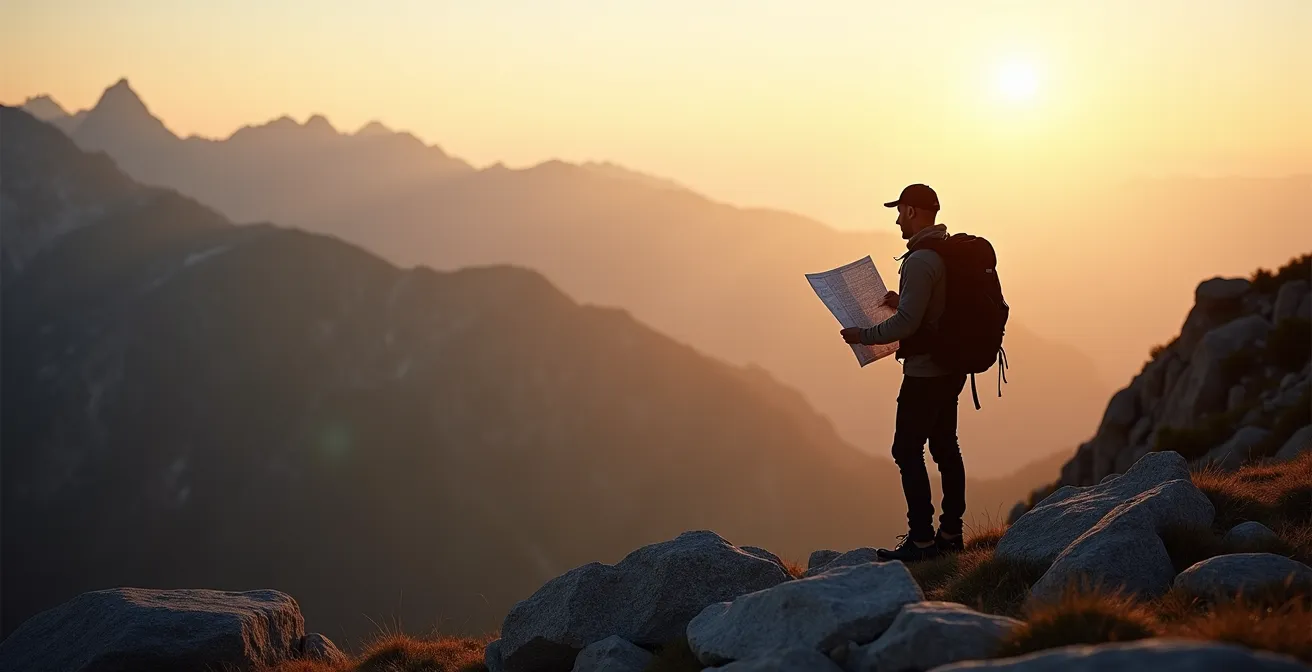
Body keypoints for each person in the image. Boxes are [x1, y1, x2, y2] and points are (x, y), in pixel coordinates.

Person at [840, 183, 966, 562]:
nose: (897, 219)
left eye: (900, 211)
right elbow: (929, 309)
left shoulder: (920, 260)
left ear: (912, 211)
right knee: (945, 445)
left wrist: (864, 335)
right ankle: (951, 533)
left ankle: (922, 541)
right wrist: (901, 301)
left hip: (926, 371)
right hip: (952, 366)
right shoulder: (945, 253)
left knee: (906, 449)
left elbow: (907, 326)